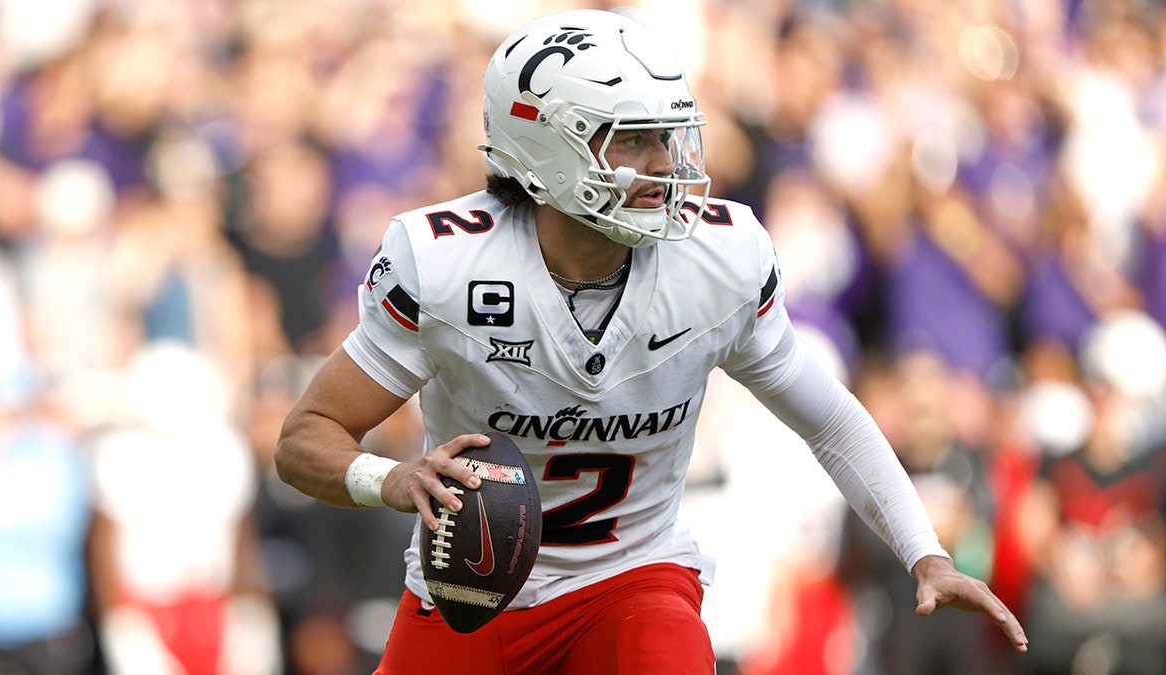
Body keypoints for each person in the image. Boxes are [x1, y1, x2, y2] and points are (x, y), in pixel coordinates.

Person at [273, 9, 1029, 673]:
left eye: (668, 135)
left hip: (632, 577)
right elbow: (305, 437)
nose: (666, 163)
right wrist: (390, 478)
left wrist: (925, 551)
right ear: (543, 149)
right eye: (632, 140)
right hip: (472, 589)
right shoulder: (446, 265)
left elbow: (827, 419)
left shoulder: (717, 260)